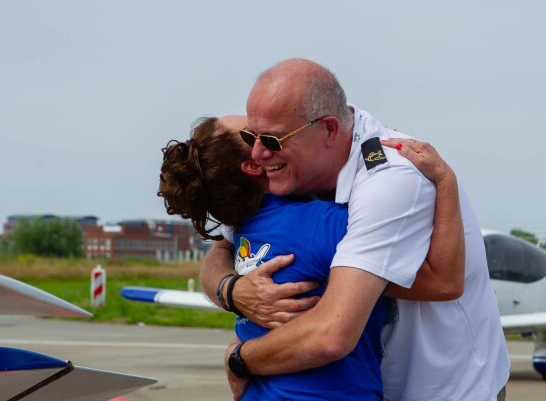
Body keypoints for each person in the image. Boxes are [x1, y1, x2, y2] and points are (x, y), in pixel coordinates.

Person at [200, 59, 510, 401]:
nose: (259, 153)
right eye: (251, 136)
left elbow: (335, 331)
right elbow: (219, 252)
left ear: (330, 130)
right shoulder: (291, 174)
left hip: (443, 389)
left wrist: (240, 358)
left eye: (272, 139)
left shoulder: (390, 179)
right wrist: (232, 291)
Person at [159, 116, 389, 400]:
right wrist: (444, 180)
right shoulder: (325, 224)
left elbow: (219, 251)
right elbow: (441, 279)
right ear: (255, 164)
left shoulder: (245, 226)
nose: (266, 132)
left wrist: (230, 295)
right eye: (255, 134)